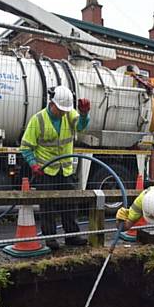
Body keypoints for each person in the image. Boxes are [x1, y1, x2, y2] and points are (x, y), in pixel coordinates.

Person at [20, 85, 91, 251]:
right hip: (47, 171)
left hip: (65, 171)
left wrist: (84, 114)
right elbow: (25, 146)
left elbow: (80, 127)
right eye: (60, 109)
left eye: (65, 110)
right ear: (51, 103)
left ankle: (72, 236)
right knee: (48, 206)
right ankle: (50, 238)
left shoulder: (69, 114)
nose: (63, 113)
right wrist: (34, 164)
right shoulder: (37, 120)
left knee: (70, 204)